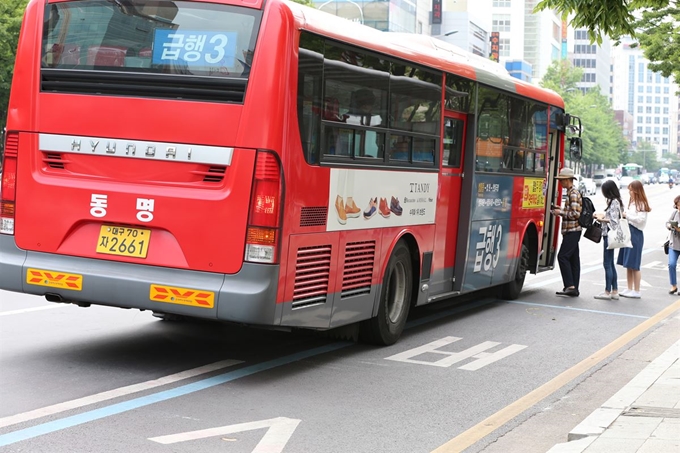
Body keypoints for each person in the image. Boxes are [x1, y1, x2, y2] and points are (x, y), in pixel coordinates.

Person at [550, 168, 582, 297]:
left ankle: (570, 285)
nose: (560, 183)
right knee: (574, 259)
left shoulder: (573, 193)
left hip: (572, 230)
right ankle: (574, 288)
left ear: (567, 180)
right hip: (573, 230)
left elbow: (575, 214)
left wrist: (560, 213)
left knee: (562, 256)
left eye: (562, 180)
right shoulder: (571, 192)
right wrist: (560, 209)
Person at [617, 180, 650, 298]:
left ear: (636, 190)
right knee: (628, 263)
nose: (629, 192)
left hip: (636, 233)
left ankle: (637, 290)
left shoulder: (641, 203)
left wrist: (627, 216)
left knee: (635, 264)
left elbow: (640, 220)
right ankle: (629, 288)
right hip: (628, 231)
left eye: (631, 190)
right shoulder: (632, 202)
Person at [593, 180, 624, 300]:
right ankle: (614, 291)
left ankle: (607, 291)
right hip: (610, 235)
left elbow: (614, 222)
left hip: (609, 235)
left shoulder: (614, 202)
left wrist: (601, 219)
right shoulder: (615, 201)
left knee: (607, 263)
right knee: (610, 263)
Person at [665, 195, 680, 294]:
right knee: (671, 264)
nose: (679, 207)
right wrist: (670, 226)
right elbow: (667, 222)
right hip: (674, 244)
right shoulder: (675, 213)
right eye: (678, 205)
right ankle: (674, 285)